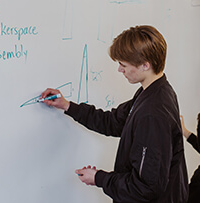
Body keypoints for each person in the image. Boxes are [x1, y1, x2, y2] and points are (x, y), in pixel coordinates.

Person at [40, 25, 189, 203]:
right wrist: (68, 106)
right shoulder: (154, 90)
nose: (120, 70)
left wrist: (99, 178)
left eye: (123, 65)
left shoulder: (153, 113)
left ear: (145, 65)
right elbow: (113, 122)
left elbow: (146, 188)